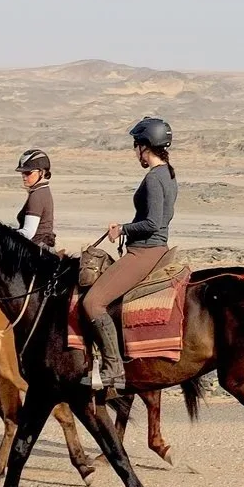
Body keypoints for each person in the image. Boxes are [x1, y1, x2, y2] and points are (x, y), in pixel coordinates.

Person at [81, 117, 179, 400]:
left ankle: (113, 369)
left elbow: (152, 223)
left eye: (137, 145)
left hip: (145, 250)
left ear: (144, 146)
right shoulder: (169, 174)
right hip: (153, 248)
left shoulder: (153, 178)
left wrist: (121, 229)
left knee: (93, 302)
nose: (136, 151)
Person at [16, 149, 56, 248]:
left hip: (36, 251)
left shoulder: (37, 195)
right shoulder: (42, 191)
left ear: (41, 172)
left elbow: (28, 232)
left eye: (28, 173)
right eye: (22, 173)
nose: (24, 177)